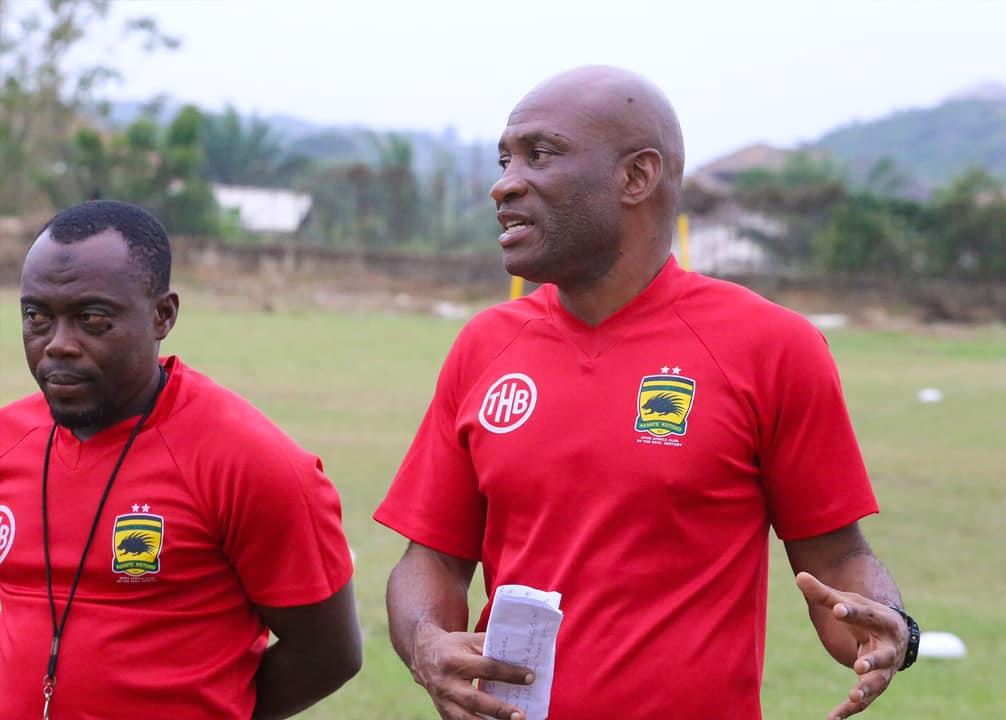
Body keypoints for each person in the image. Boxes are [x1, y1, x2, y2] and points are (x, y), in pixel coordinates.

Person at [375, 66, 918, 720]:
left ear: (637, 177)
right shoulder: (484, 346)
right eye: (505, 159)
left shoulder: (772, 347)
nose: (505, 183)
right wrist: (427, 644)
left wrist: (889, 628)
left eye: (539, 154)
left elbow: (838, 558)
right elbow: (431, 560)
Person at [0, 200, 362, 719]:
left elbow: (328, 655)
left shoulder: (253, 463)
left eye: (92, 319)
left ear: (162, 315)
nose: (58, 345)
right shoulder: (8, 442)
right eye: (37, 317)